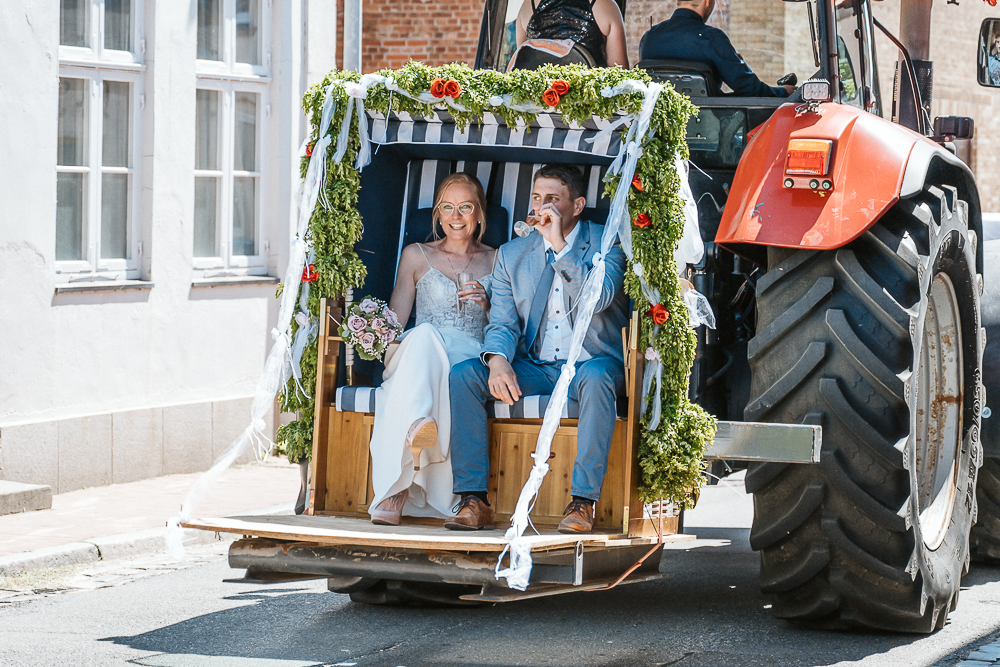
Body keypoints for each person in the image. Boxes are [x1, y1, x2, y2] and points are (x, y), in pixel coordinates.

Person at [445, 164, 630, 534]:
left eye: (552, 200)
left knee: (596, 381)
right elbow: (502, 323)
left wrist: (560, 244)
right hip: (537, 366)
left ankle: (582, 502)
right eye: (536, 198)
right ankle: (473, 499)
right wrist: (497, 362)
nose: (541, 207)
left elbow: (599, 299)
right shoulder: (513, 254)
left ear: (576, 206)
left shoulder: (607, 242)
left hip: (590, 365)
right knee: (465, 375)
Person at [367, 173, 498, 526]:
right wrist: (368, 331)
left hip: (466, 357)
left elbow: (508, 329)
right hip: (415, 355)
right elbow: (396, 322)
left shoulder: (498, 260)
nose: (456, 216)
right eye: (448, 208)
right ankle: (418, 423)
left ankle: (398, 485)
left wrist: (489, 307)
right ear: (438, 215)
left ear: (480, 214)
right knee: (423, 334)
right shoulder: (415, 255)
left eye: (466, 207)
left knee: (453, 371)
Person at [638, 0, 794, 98]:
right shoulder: (711, 38)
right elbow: (750, 89)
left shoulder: (649, 38)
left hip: (659, 133)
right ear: (707, 2)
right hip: (707, 132)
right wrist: (784, 91)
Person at [516, 0, 630, 68]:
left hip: (537, 105)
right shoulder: (605, 5)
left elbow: (520, 62)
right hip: (589, 104)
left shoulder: (528, 6)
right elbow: (620, 78)